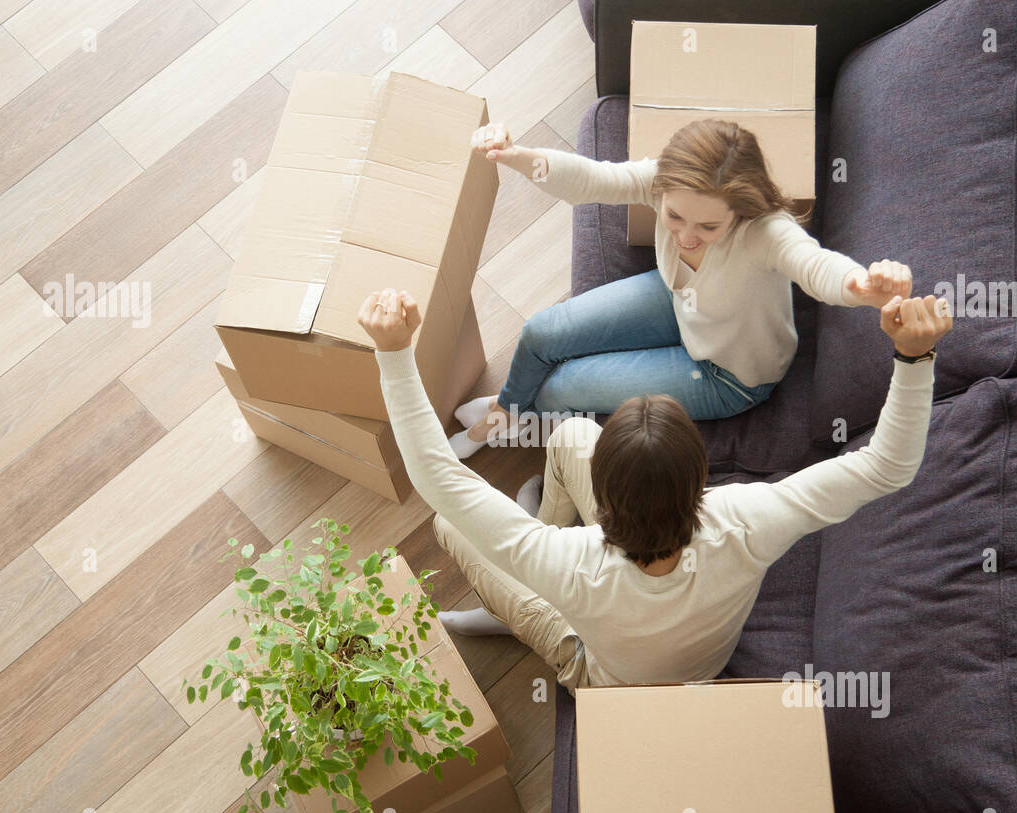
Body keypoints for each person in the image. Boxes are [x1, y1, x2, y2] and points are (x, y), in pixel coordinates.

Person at [356, 286, 954, 692]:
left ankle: (512, 609)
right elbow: (887, 467)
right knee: (567, 439)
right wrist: (915, 355)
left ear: (606, 500)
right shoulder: (748, 516)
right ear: (701, 481)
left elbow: (436, 476)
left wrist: (394, 353)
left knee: (450, 523)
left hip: (602, 673)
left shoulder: (566, 563)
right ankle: (521, 576)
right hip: (705, 659)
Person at [447, 118, 913, 458]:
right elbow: (591, 178)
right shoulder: (662, 181)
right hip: (681, 303)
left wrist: (862, 285)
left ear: (740, 211)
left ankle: (512, 416)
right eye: (674, 217)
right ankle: (506, 411)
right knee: (541, 332)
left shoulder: (766, 232)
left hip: (727, 373)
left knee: (556, 389)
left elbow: (815, 266)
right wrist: (516, 156)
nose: (686, 237)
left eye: (708, 226)